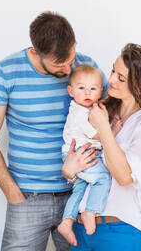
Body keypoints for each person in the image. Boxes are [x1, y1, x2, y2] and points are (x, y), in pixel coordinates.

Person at [0, 12, 108, 251]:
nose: (69, 69)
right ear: (36, 52)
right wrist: (13, 193)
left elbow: (116, 117)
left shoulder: (86, 69)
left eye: (71, 58)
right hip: (27, 197)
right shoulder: (7, 72)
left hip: (79, 193)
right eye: (60, 65)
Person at [61, 43, 141, 250]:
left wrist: (104, 128)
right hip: (81, 231)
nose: (111, 80)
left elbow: (124, 177)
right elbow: (85, 164)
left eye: (121, 78)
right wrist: (69, 171)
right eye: (113, 71)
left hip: (120, 233)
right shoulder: (101, 110)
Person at [57, 65, 112, 246]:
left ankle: (67, 221)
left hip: (79, 155)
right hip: (78, 156)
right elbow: (97, 135)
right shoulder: (79, 112)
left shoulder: (87, 108)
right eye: (81, 88)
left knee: (80, 189)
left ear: (101, 91)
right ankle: (90, 211)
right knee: (102, 178)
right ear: (70, 91)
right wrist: (111, 129)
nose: (87, 92)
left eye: (93, 88)